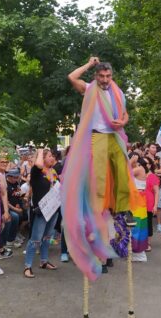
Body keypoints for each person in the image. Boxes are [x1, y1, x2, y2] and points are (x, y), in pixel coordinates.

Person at [62, 57, 137, 280]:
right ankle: (97, 208)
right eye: (101, 76)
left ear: (112, 76)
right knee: (100, 181)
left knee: (123, 172)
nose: (105, 80)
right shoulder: (89, 88)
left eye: (108, 76)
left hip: (114, 135)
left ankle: (124, 209)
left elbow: (125, 114)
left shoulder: (118, 92)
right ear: (96, 76)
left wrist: (122, 122)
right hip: (96, 137)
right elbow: (71, 77)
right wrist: (88, 64)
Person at [24, 147, 58, 278]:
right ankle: (27, 266)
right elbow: (38, 164)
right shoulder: (37, 172)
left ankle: (44, 262)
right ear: (42, 158)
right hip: (42, 211)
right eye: (49, 156)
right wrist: (39, 151)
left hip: (53, 209)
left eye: (52, 156)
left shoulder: (53, 171)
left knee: (47, 238)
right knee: (35, 239)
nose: (52, 158)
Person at [129, 153, 148, 261]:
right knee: (136, 225)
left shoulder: (139, 169)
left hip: (138, 201)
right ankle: (136, 251)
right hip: (136, 200)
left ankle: (138, 252)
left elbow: (125, 173)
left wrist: (131, 161)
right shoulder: (137, 169)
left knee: (138, 225)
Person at [146, 143, 161, 234]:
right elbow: (145, 171)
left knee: (159, 205)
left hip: (159, 184)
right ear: (148, 148)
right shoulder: (145, 159)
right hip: (147, 185)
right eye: (152, 147)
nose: (154, 149)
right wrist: (156, 173)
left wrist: (154, 172)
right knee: (147, 204)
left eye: (155, 147)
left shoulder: (158, 158)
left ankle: (159, 224)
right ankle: (147, 224)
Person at [145, 158, 160, 252]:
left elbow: (157, 192)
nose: (144, 165)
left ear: (150, 165)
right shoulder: (140, 175)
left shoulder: (153, 176)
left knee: (148, 223)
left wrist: (155, 205)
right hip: (139, 203)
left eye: (146, 163)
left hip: (149, 203)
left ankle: (148, 243)